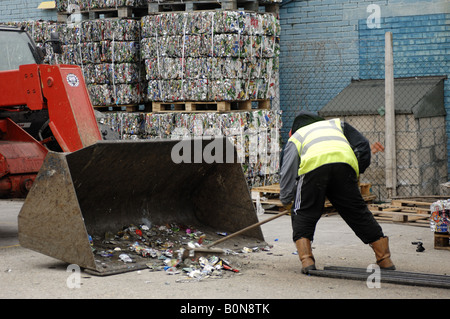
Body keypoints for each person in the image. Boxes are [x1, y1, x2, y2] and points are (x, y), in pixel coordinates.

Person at [280, 110, 395, 274]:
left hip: (313, 168)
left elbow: (288, 171)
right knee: (357, 212)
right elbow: (363, 146)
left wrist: (286, 199)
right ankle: (385, 259)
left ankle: (307, 261)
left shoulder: (297, 137)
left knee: (303, 211)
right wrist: (354, 174)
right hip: (344, 164)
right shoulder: (337, 124)